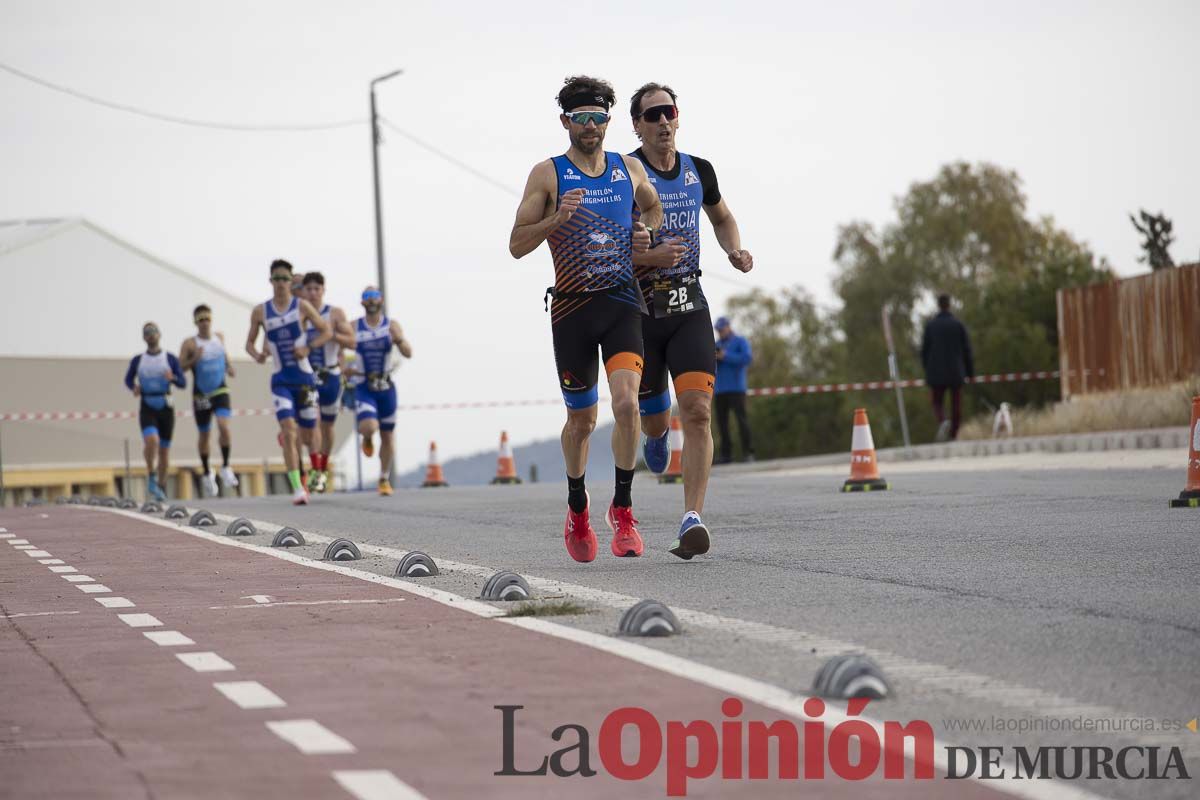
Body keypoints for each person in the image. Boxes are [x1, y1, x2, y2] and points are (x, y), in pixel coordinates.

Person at [508, 75, 661, 562]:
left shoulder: (627, 168)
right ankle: (577, 506)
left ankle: (623, 508)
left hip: (620, 302)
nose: (590, 126)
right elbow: (516, 244)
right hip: (573, 309)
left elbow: (653, 210)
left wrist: (646, 235)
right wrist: (556, 219)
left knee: (627, 405)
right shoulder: (548, 175)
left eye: (598, 117)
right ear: (566, 122)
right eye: (581, 118)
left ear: (608, 122)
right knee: (581, 419)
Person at [627, 82, 754, 559]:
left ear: (678, 118)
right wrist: (649, 254)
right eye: (652, 114)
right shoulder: (625, 172)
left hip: (689, 306)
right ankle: (654, 434)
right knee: (658, 421)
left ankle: (691, 517)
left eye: (669, 112)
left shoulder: (699, 170)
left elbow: (721, 217)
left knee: (698, 411)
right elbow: (609, 236)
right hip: (640, 312)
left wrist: (734, 249)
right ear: (637, 124)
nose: (663, 121)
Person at [245, 259, 331, 505]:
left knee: (309, 432)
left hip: (304, 379)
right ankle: (298, 488)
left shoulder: (302, 306)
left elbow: (325, 331)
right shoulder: (260, 311)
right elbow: (249, 343)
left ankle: (316, 471)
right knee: (289, 431)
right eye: (277, 278)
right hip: (281, 380)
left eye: (285, 278)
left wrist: (308, 347)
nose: (281, 283)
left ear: (290, 281)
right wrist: (257, 355)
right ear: (270, 280)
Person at [346, 286, 412, 496]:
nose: (371, 301)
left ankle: (383, 478)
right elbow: (337, 345)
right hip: (364, 385)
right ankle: (366, 437)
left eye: (375, 297)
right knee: (369, 426)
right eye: (367, 297)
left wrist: (399, 340)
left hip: (385, 386)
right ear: (362, 302)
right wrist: (342, 367)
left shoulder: (391, 325)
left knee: (388, 435)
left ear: (381, 300)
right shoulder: (354, 326)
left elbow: (408, 353)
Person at [302, 272, 356, 493]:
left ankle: (322, 468)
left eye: (317, 288)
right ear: (304, 291)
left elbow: (353, 341)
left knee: (327, 425)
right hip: (307, 376)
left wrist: (332, 335)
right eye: (310, 289)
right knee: (309, 424)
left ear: (323, 290)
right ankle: (315, 468)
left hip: (331, 376)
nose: (313, 293)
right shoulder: (299, 314)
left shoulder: (334, 313)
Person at [179, 305, 239, 497]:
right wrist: (194, 359)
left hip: (220, 389)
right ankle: (206, 472)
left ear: (211, 321)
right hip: (201, 395)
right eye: (201, 319)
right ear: (196, 322)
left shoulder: (219, 337)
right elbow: (180, 368)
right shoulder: (190, 343)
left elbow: (225, 355)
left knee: (224, 426)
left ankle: (226, 466)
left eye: (207, 319)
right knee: (204, 434)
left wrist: (230, 367)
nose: (205, 323)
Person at [124, 322, 186, 501]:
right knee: (152, 440)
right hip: (147, 404)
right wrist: (133, 387)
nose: (151, 335)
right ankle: (151, 475)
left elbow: (183, 383)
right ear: (144, 338)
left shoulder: (170, 358)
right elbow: (128, 380)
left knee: (164, 452)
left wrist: (172, 378)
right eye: (147, 333)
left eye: (153, 332)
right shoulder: (138, 360)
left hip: (166, 405)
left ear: (159, 335)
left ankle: (161, 486)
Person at [921, 293, 974, 441]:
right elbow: (967, 350)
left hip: (936, 372)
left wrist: (927, 370)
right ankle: (954, 434)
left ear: (938, 305)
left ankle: (943, 420)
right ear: (949, 305)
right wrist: (970, 373)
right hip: (956, 371)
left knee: (937, 401)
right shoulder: (958, 325)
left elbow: (924, 351)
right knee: (956, 404)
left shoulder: (931, 326)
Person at [713, 316, 755, 463]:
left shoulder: (740, 341)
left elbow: (747, 358)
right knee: (722, 424)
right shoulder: (716, 344)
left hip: (737, 388)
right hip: (719, 390)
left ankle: (748, 453)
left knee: (742, 421)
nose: (720, 332)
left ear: (729, 327)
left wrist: (726, 356)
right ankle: (726, 455)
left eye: (722, 329)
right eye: (718, 330)